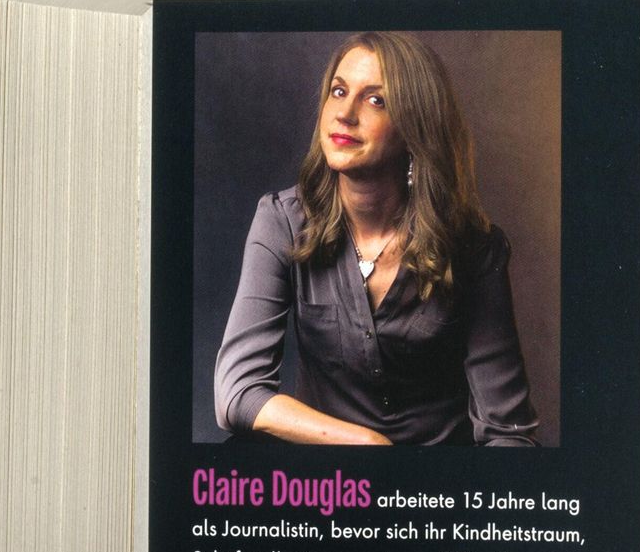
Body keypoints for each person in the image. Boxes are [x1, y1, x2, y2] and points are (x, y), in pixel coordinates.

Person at [212, 32, 541, 446]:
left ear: (414, 127)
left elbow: (509, 432)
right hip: (330, 474)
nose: (344, 114)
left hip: (433, 482)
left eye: (376, 100)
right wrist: (367, 444)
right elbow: (238, 392)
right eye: (338, 91)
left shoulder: (475, 249)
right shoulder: (282, 221)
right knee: (242, 448)